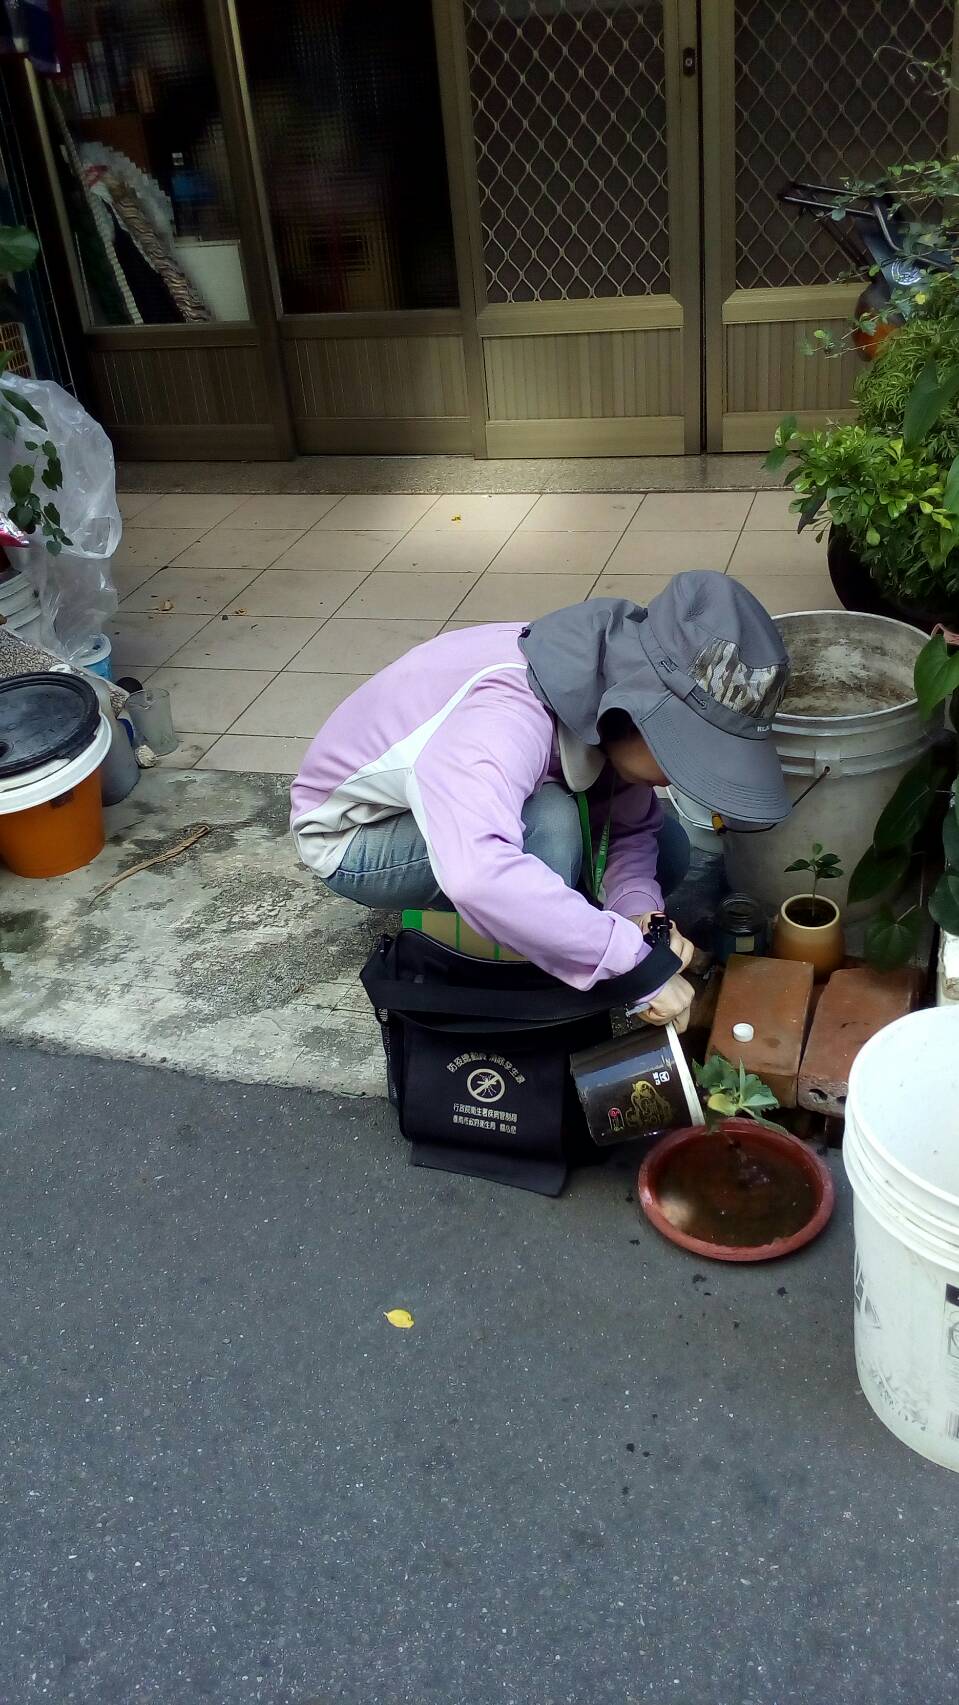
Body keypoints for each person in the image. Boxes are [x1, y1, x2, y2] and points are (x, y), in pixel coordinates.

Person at [290, 571, 791, 1031]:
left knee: (667, 843)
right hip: (359, 836)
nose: (692, 778)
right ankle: (528, 979)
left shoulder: (607, 678)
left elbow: (632, 830)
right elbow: (478, 872)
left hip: (460, 805)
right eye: (693, 755)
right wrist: (633, 966)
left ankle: (556, 922)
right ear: (643, 713)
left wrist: (640, 917)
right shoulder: (504, 717)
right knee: (549, 826)